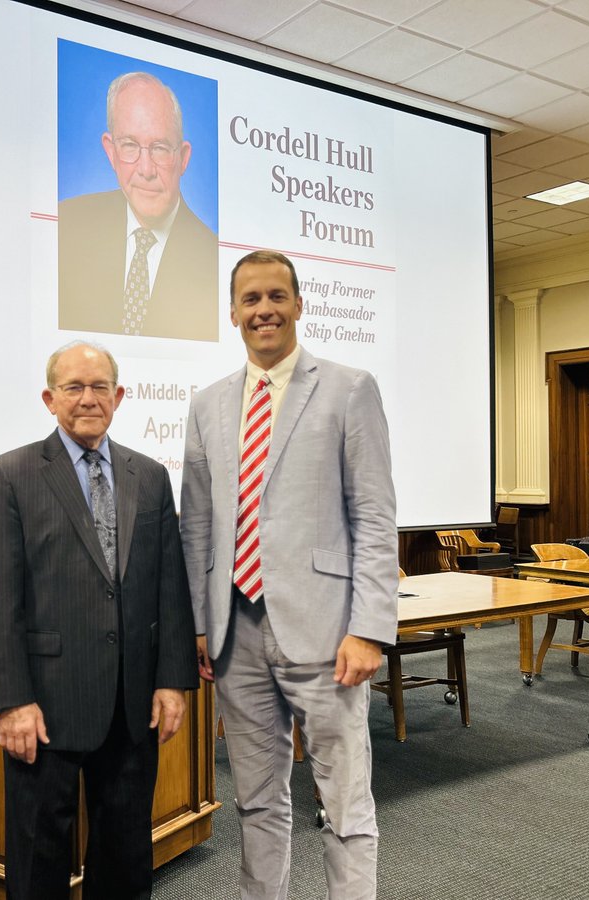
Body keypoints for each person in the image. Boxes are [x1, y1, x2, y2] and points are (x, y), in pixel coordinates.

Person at [179, 250, 398, 899]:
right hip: (233, 632)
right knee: (257, 801)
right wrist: (198, 623)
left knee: (345, 804)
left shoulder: (348, 388)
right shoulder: (206, 404)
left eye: (276, 296)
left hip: (328, 632)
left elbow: (376, 518)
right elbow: (197, 524)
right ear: (233, 313)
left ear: (300, 304)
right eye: (251, 299)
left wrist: (370, 628)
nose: (264, 309)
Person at [0, 340, 197, 899]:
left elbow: (170, 585)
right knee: (39, 857)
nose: (87, 398)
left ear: (119, 397)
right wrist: (11, 700)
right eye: (73, 387)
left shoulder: (148, 476)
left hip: (131, 702)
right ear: (50, 399)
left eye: (99, 387)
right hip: (44, 705)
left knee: (125, 858)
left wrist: (172, 680)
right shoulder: (10, 475)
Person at [59, 71, 218, 341]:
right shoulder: (64, 226)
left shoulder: (216, 260)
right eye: (130, 145)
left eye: (159, 148)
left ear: (183, 158)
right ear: (111, 152)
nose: (146, 170)